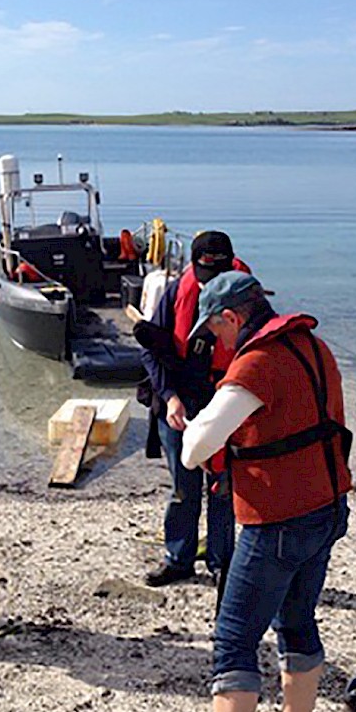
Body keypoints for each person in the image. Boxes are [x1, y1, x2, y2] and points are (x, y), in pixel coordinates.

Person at [166, 271, 353, 712]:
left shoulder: (256, 364)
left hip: (277, 520)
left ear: (232, 317)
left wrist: (199, 423)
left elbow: (194, 449)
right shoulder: (313, 347)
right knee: (296, 620)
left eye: (216, 330)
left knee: (233, 641)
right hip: (327, 507)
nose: (216, 342)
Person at [137, 231, 248, 587]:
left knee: (222, 487)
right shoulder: (177, 291)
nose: (209, 284)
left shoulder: (249, 300)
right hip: (181, 401)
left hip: (225, 399)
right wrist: (169, 396)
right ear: (193, 266)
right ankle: (178, 558)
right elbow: (149, 349)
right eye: (204, 276)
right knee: (183, 488)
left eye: (218, 277)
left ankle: (222, 564)